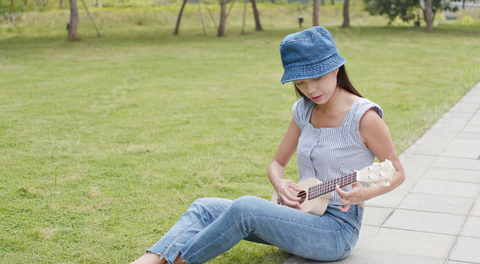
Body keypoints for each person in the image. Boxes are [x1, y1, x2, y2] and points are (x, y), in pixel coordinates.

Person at [131, 26, 405, 264]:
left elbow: (397, 171)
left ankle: (183, 261)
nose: (311, 90)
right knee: (204, 207)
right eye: (301, 82)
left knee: (245, 208)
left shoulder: (364, 116)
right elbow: (277, 164)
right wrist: (279, 183)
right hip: (299, 211)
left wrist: (364, 195)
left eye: (317, 78)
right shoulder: (303, 110)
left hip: (337, 231)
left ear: (335, 67)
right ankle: (149, 260)